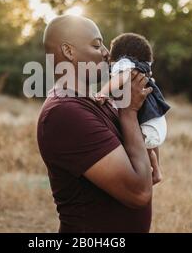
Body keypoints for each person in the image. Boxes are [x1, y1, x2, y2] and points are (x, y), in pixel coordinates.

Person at [37, 15, 154, 232]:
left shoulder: (101, 103)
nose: (107, 53)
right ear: (69, 51)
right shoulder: (64, 113)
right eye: (97, 44)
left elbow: (150, 173)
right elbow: (139, 193)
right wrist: (129, 113)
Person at [95, 33, 171, 184]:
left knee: (131, 148)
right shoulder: (144, 70)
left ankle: (149, 172)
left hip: (148, 127)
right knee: (148, 146)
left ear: (120, 55)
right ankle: (156, 170)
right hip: (156, 124)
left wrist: (102, 93)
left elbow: (120, 78)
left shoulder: (125, 65)